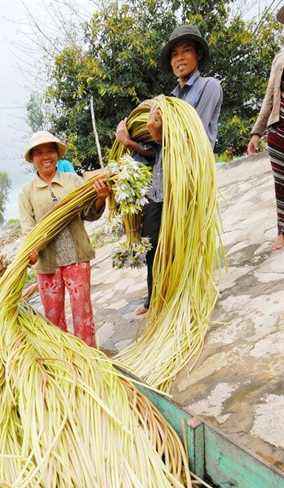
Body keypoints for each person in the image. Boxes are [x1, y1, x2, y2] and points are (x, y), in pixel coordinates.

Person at [116, 25, 223, 314]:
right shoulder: (167, 102)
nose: (179, 58)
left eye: (186, 50)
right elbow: (155, 153)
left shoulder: (209, 87)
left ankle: (190, 299)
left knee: (186, 245)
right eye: (174, 54)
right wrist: (130, 143)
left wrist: (161, 134)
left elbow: (193, 135)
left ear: (198, 54)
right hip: (161, 184)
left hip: (188, 183)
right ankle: (155, 299)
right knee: (152, 243)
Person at [18, 130, 109, 347]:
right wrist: (30, 252)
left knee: (83, 315)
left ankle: (90, 360)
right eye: (39, 152)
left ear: (57, 155)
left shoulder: (72, 181)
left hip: (76, 258)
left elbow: (89, 213)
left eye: (50, 151)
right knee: (54, 319)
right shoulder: (26, 192)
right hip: (47, 263)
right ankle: (66, 360)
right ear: (32, 158)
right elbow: (28, 230)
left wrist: (100, 198)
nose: (45, 156)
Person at [247, 8, 284, 251]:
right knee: (281, 182)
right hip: (279, 127)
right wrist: (256, 132)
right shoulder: (279, 58)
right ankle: (283, 232)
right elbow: (269, 96)